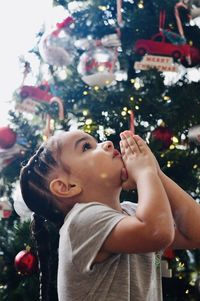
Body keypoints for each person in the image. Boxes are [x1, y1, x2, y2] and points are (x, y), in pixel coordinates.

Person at [18, 129, 200, 301]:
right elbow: (156, 232)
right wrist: (145, 172)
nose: (106, 144)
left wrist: (156, 173)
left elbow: (195, 234)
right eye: (86, 147)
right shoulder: (80, 222)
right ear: (67, 187)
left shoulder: (131, 212)